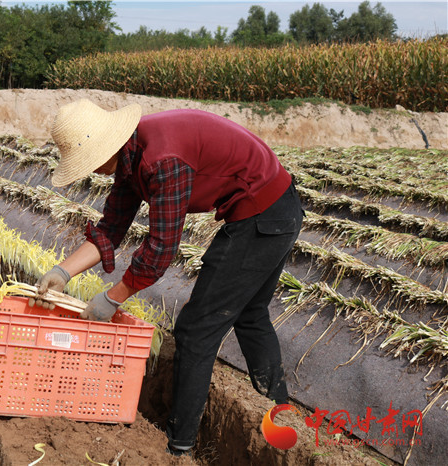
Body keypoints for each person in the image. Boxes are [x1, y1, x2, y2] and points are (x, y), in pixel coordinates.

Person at [31, 99, 304, 456]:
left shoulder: (162, 160)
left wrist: (111, 299)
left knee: (196, 329)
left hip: (264, 213)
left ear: (105, 149)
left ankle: (179, 445)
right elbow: (111, 227)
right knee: (250, 315)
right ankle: (280, 410)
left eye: (88, 163)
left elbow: (161, 248)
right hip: (271, 208)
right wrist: (62, 271)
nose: (92, 172)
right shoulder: (130, 158)